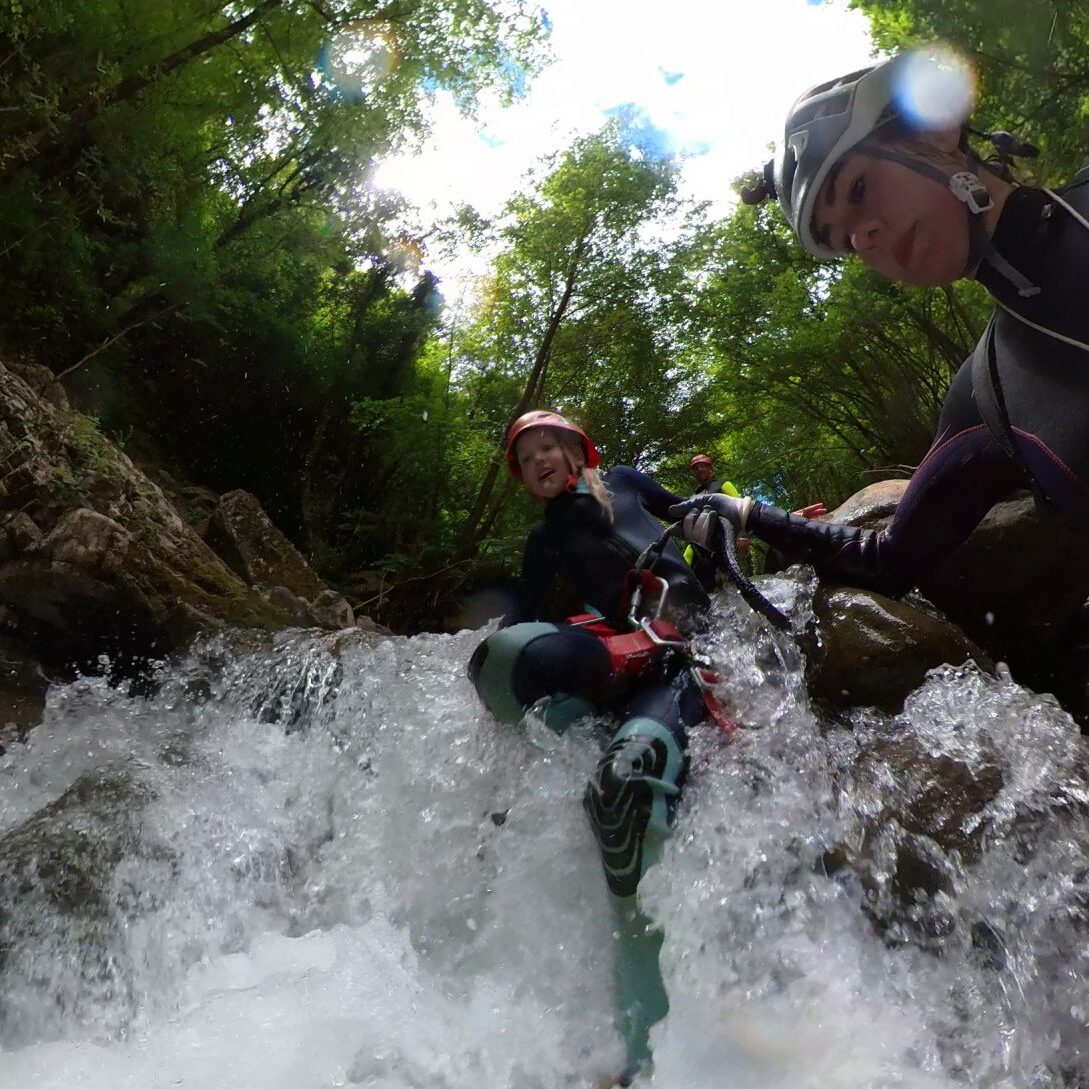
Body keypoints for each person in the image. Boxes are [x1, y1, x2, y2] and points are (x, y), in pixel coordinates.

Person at [671, 50, 1089, 606]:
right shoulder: (986, 395)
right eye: (845, 240)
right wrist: (749, 514)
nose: (863, 238)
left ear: (937, 130)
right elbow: (887, 560)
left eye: (859, 190)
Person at [469, 410, 723, 1084]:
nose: (541, 458)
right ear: (523, 478)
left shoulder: (625, 483)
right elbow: (523, 622)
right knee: (497, 657)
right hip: (615, 652)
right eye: (527, 456)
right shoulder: (541, 539)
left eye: (549, 444)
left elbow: (698, 514)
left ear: (576, 450)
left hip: (681, 645)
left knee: (628, 775)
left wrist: (729, 520)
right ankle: (587, 737)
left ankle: (650, 1052)